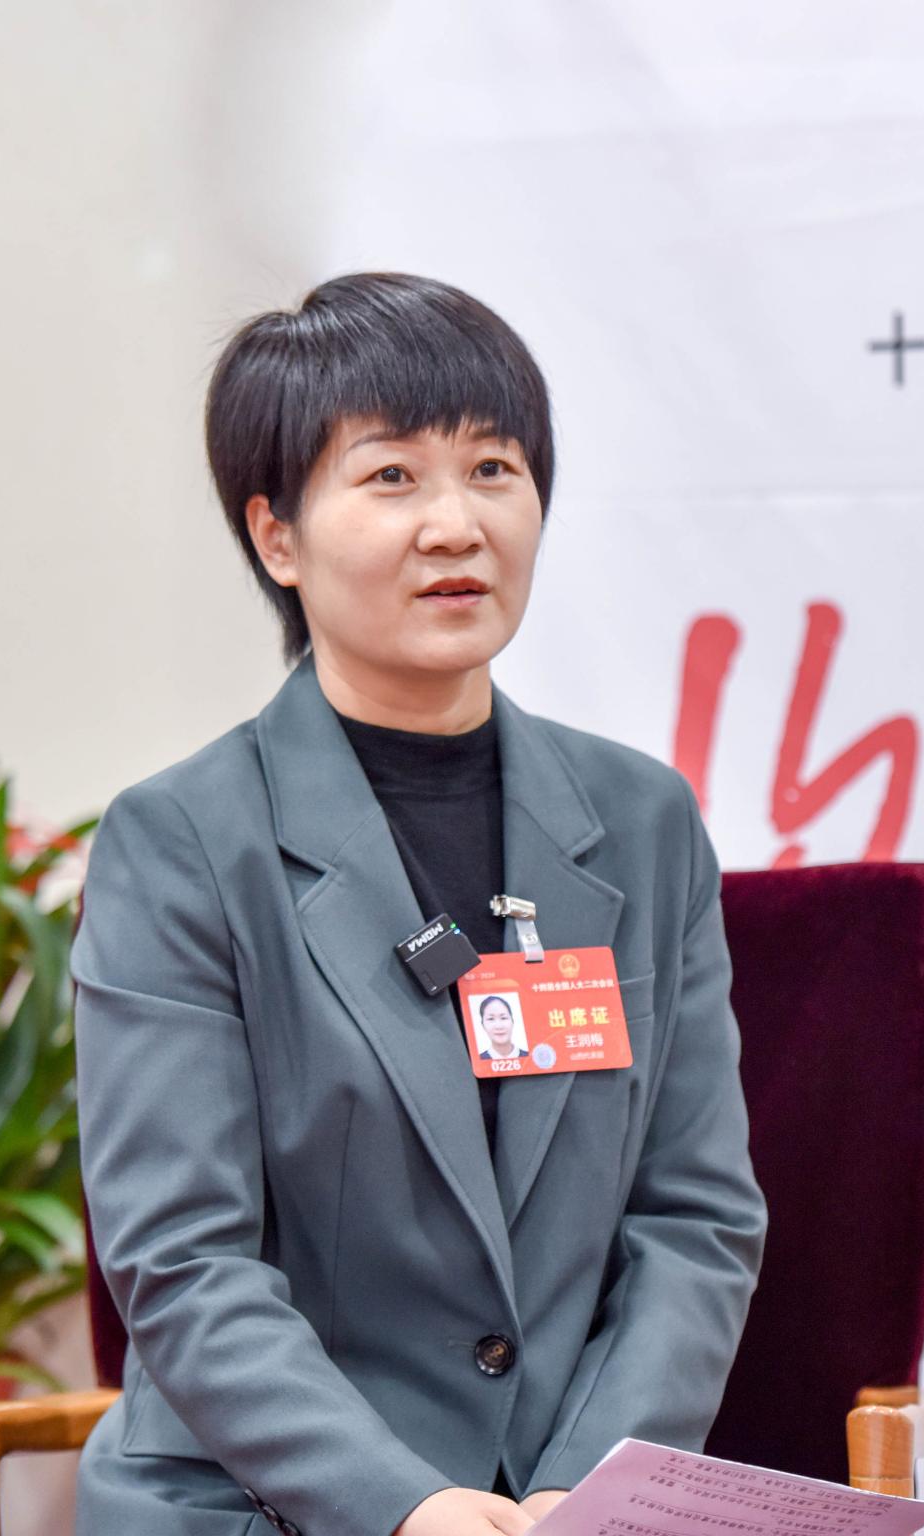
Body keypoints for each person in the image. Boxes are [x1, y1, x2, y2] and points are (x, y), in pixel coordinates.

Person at [71, 271, 767, 1536]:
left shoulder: (642, 820)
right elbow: (182, 1260)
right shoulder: (180, 843)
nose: (455, 525)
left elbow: (694, 1217)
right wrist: (405, 1506)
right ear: (277, 537)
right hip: (262, 1505)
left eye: (493, 469)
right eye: (391, 476)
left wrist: (584, 1489)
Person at [477, 995, 528, 1060]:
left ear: (512, 1021)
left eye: (503, 1018)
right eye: (491, 1019)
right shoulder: (477, 1060)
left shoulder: (530, 1057)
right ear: (483, 1025)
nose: (499, 1026)